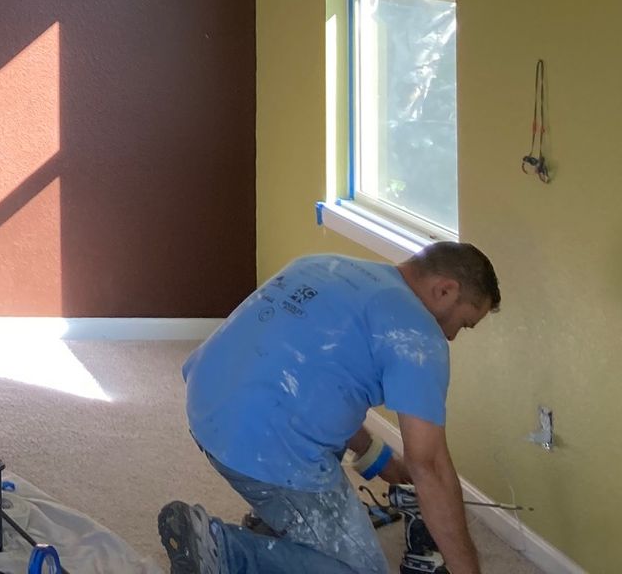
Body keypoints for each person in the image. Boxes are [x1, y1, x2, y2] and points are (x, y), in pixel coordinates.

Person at [157, 242, 500, 574]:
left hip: (206, 401)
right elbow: (430, 467)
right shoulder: (417, 333)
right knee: (357, 570)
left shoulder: (324, 264)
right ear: (445, 290)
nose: (453, 336)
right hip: (260, 444)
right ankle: (224, 550)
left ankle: (273, 526)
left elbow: (316, 384)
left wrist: (380, 461)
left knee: (316, 419)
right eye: (464, 322)